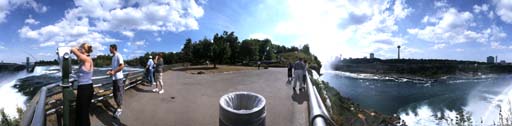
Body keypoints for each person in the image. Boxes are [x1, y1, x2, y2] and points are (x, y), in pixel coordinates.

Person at [71, 43, 94, 126]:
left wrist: (78, 48)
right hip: (84, 88)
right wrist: (81, 48)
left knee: (83, 113)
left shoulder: (87, 59)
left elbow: (73, 49)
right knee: (81, 112)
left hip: (85, 89)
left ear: (83, 50)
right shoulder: (84, 59)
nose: (79, 49)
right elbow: (78, 56)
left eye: (81, 48)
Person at [106, 44, 125, 119]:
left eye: (110, 48)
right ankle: (118, 107)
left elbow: (122, 66)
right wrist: (110, 71)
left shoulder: (118, 55)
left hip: (119, 78)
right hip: (114, 79)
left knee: (118, 94)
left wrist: (113, 72)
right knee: (115, 94)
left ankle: (120, 109)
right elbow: (114, 68)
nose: (109, 49)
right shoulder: (113, 57)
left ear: (113, 48)